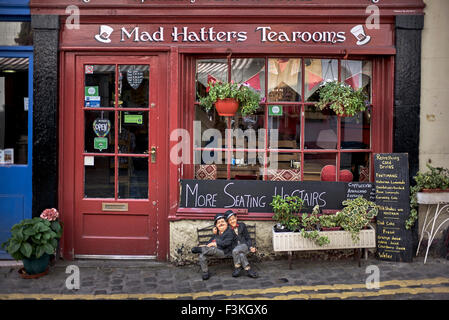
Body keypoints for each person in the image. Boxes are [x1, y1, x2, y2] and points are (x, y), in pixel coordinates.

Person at [191, 213, 237, 280]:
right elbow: (210, 243)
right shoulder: (217, 233)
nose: (221, 223)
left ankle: (201, 249)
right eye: (218, 223)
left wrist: (215, 244)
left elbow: (226, 243)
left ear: (227, 223)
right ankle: (205, 272)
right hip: (214, 250)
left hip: (225, 252)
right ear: (216, 226)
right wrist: (206, 245)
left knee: (212, 249)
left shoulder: (230, 231)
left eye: (222, 222)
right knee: (202, 255)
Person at [224, 210, 258, 278]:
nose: (232, 221)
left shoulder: (242, 225)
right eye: (230, 220)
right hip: (235, 248)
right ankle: (248, 269)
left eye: (233, 218)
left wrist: (250, 247)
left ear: (236, 218)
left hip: (244, 246)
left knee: (235, 251)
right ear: (228, 222)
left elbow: (247, 238)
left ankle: (237, 267)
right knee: (241, 254)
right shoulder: (227, 229)